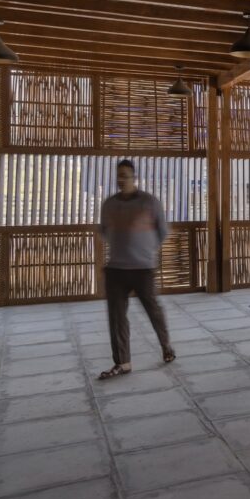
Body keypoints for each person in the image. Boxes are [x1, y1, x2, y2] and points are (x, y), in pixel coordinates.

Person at [97, 160, 175, 380]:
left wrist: (144, 250)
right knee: (117, 317)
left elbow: (162, 232)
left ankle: (166, 345)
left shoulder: (149, 202)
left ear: (134, 177)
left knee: (153, 310)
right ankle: (123, 362)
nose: (122, 179)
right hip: (116, 269)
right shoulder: (109, 204)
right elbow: (104, 231)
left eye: (126, 175)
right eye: (119, 175)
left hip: (143, 268)